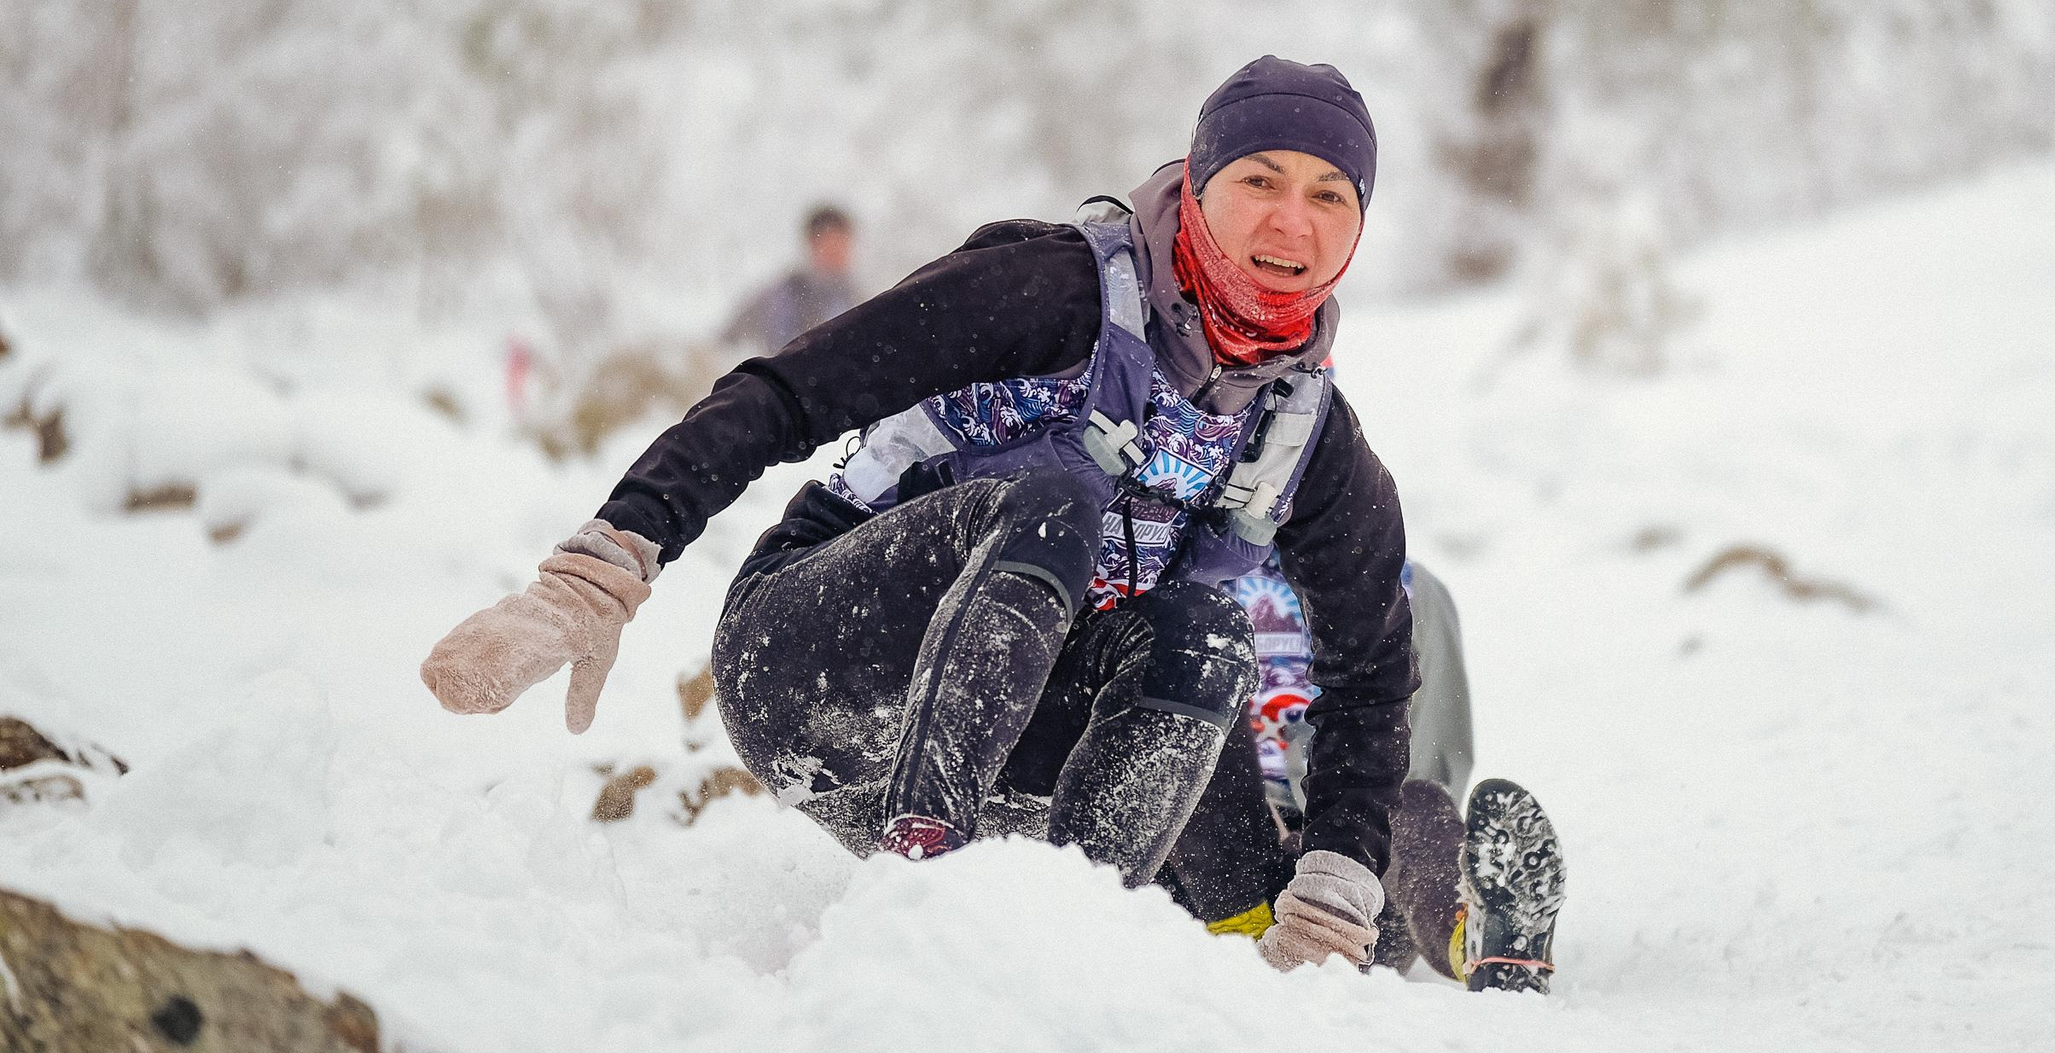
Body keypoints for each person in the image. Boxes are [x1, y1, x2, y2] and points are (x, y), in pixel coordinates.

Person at [420, 58, 1415, 974]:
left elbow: (1373, 673)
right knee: (1059, 498)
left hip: (1021, 757)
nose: (1293, 221)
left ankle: (1063, 946)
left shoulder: (1307, 436)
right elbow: (787, 393)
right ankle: (917, 894)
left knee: (1207, 635)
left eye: (1329, 196)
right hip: (817, 658)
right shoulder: (1052, 289)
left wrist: (1326, 900)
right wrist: (602, 568)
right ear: (1196, 186)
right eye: (1261, 181)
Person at [1167, 555, 1567, 992]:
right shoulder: (1166, 570)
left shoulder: (1407, 590)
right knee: (1202, 800)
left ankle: (1487, 947)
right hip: (1210, 876)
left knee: (1413, 805)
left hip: (1352, 896)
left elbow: (1430, 755)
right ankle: (1248, 953)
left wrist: (1333, 816)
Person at [720, 204, 863, 356]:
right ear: (813, 245)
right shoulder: (782, 296)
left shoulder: (858, 298)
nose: (839, 253)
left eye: (843, 244)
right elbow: (728, 341)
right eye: (831, 244)